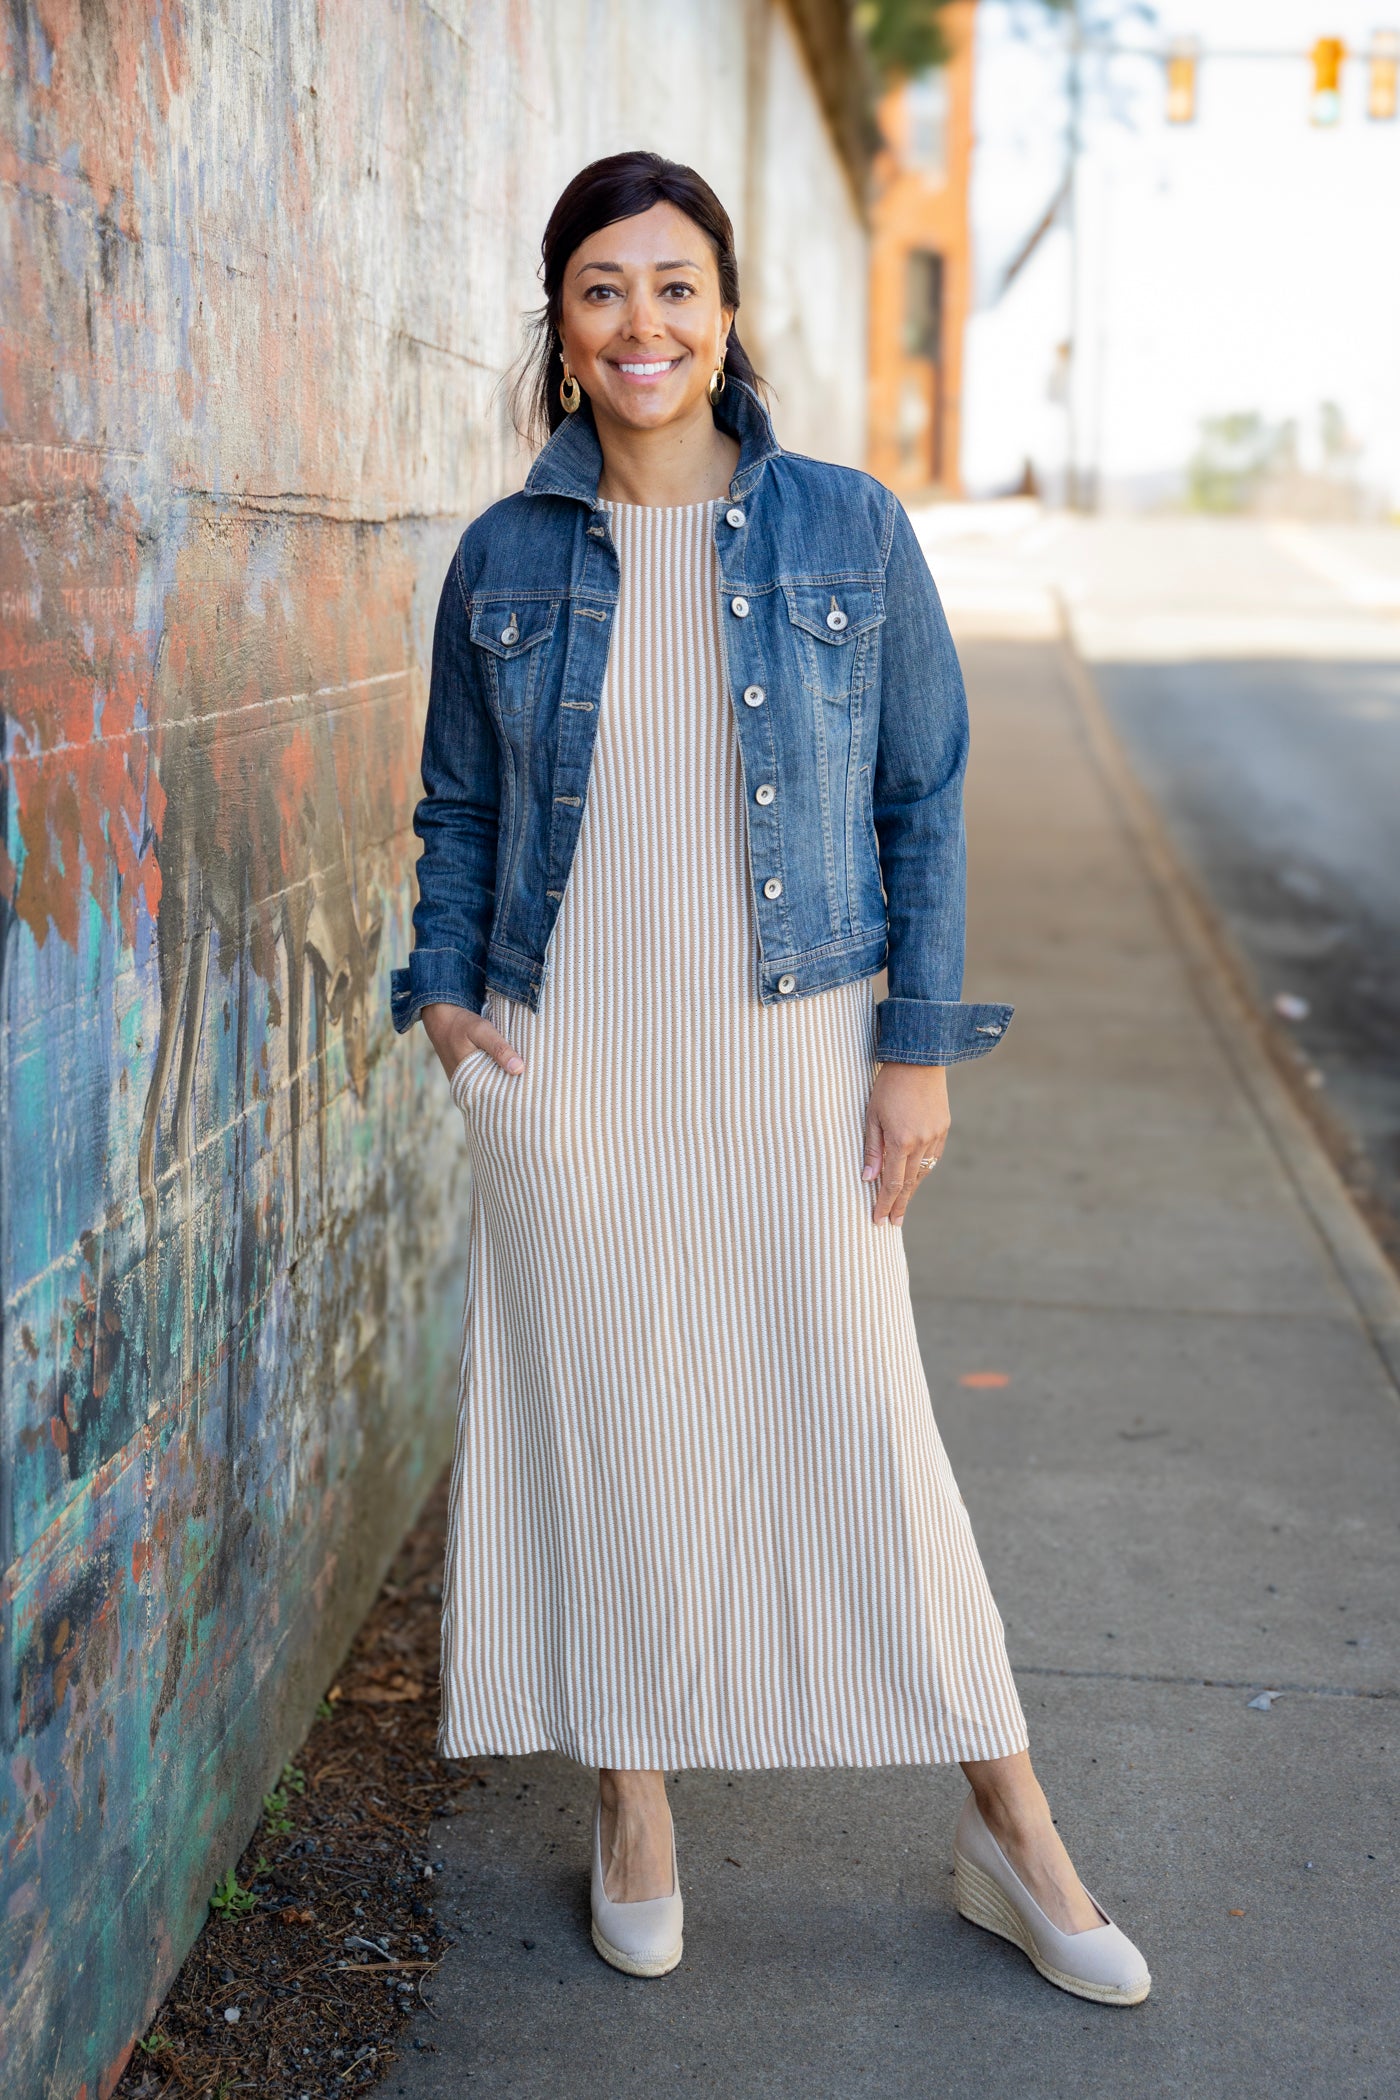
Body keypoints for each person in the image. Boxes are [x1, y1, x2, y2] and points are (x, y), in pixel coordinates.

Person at [390, 150, 1149, 2006]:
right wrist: (444, 1003)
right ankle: (634, 1804)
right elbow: (462, 810)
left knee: (861, 1424)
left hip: (788, 1044)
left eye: (672, 286)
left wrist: (914, 1056)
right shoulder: (502, 555)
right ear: (558, 330)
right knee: (608, 1418)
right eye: (598, 290)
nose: (638, 323)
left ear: (726, 314)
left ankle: (1011, 1822)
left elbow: (924, 797)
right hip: (570, 1053)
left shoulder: (846, 529)